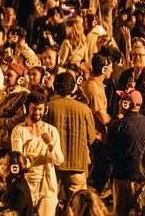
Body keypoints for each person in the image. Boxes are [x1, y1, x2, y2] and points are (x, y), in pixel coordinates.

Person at [11, 90, 64, 216]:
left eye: (40, 109)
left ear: (45, 110)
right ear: (27, 108)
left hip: (47, 185)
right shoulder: (19, 131)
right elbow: (18, 159)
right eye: (34, 109)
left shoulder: (51, 131)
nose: (37, 113)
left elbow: (59, 160)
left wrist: (51, 145)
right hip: (26, 183)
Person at [47, 72, 96, 201]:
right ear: (74, 87)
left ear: (55, 87)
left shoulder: (49, 107)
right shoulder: (84, 109)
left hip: (53, 165)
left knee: (51, 203)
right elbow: (91, 138)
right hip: (78, 164)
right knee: (77, 204)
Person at [106, 89, 145, 216]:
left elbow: (109, 153)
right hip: (143, 178)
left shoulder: (116, 125)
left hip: (122, 177)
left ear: (125, 103)